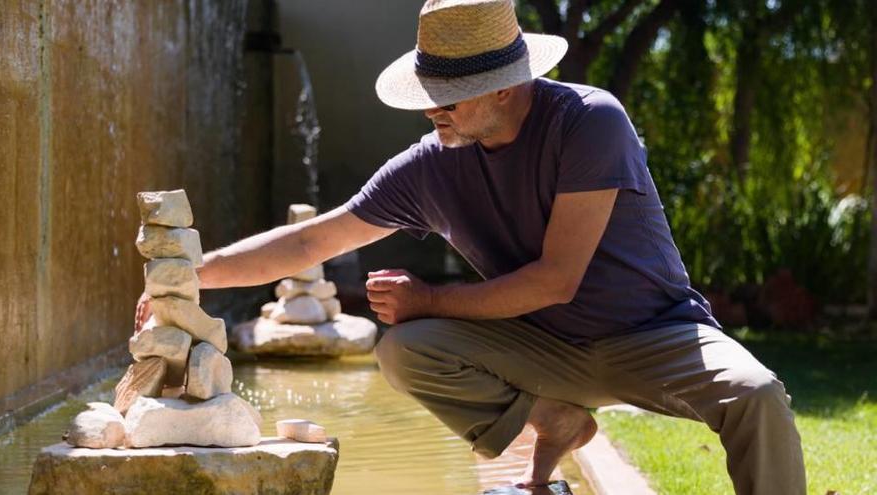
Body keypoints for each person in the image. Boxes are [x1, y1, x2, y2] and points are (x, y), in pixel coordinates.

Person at [136, 0, 806, 492]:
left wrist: (429, 295)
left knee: (757, 392)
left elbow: (556, 279)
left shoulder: (589, 121)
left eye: (450, 97)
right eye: (431, 95)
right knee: (405, 348)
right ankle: (556, 418)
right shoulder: (431, 164)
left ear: (509, 86)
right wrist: (189, 276)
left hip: (655, 335)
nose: (434, 110)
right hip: (542, 350)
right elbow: (316, 236)